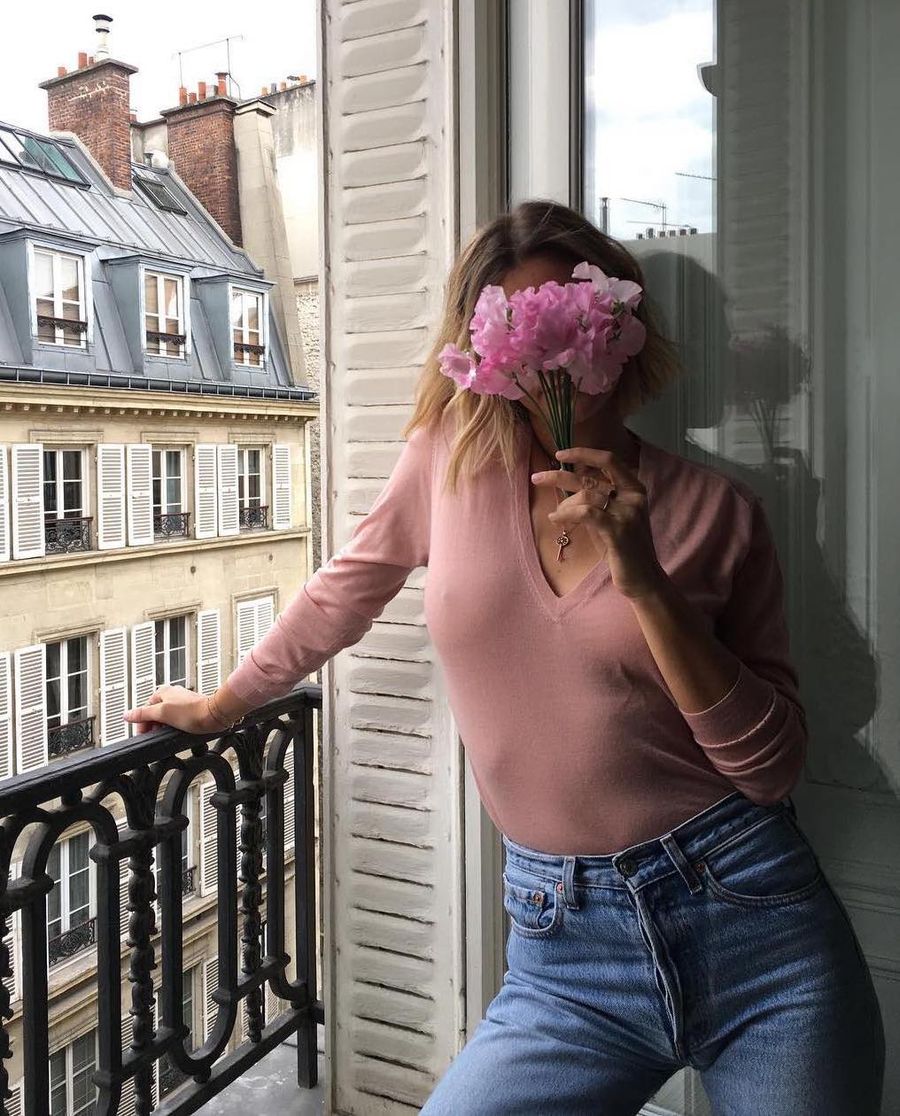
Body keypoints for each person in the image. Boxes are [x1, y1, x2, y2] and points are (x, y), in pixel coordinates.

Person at [124, 200, 885, 1115]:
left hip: (753, 921)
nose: (558, 354)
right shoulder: (445, 468)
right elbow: (344, 592)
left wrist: (642, 577)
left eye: (579, 317)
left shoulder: (720, 511)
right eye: (526, 332)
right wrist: (224, 704)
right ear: (490, 354)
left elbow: (772, 770)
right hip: (565, 955)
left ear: (626, 328)